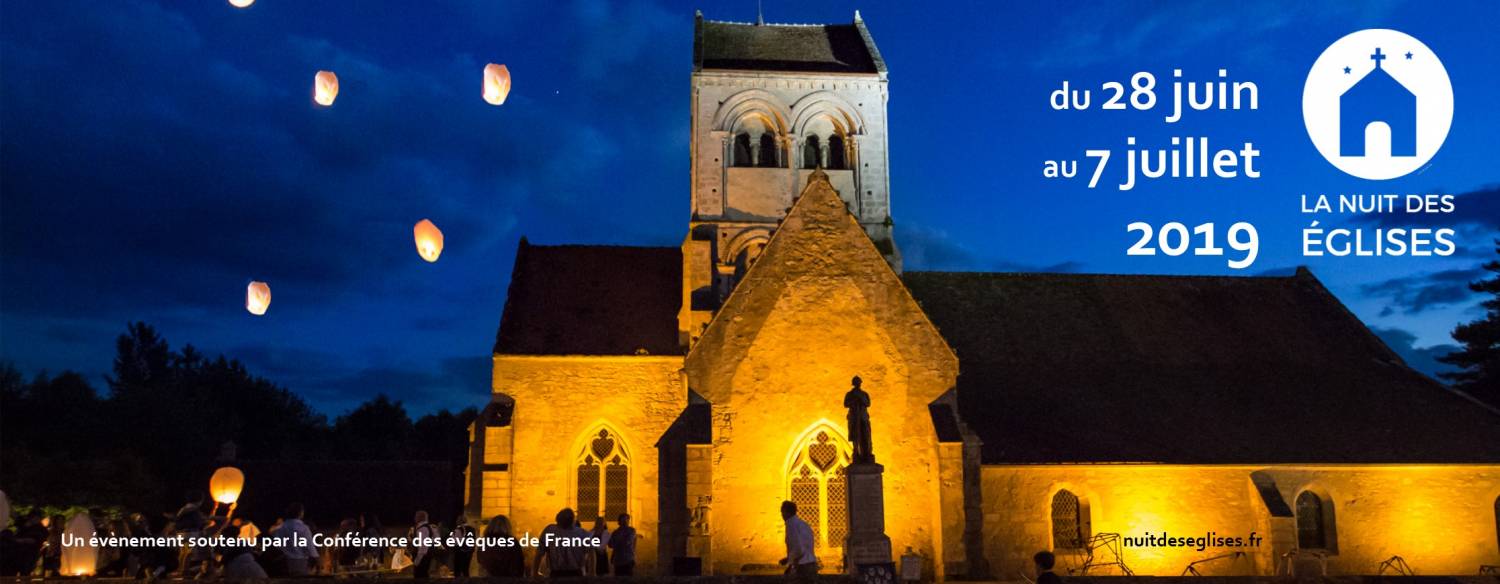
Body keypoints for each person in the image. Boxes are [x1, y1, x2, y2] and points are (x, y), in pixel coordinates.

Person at [534, 508, 594, 578]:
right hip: (571, 573)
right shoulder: (581, 533)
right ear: (573, 520)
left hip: (563, 573)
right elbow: (591, 552)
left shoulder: (550, 531)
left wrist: (535, 572)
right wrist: (592, 572)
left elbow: (539, 552)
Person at [274, 503, 319, 576]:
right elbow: (310, 547)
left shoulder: (281, 528)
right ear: (300, 513)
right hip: (300, 562)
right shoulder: (303, 528)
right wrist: (317, 561)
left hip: (285, 562)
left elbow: (277, 545)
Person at [778, 501, 818, 578]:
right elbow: (804, 547)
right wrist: (789, 559)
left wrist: (791, 563)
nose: (782, 515)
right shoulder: (803, 524)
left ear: (786, 512)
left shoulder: (791, 524)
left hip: (802, 566)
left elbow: (798, 549)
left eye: (782, 512)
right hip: (811, 564)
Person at [410, 510, 440, 579]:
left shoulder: (422, 529)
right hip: (427, 557)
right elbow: (437, 539)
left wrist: (417, 561)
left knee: (419, 577)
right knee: (424, 575)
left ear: (419, 518)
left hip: (422, 558)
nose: (414, 518)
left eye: (416, 516)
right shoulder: (430, 527)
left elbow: (423, 548)